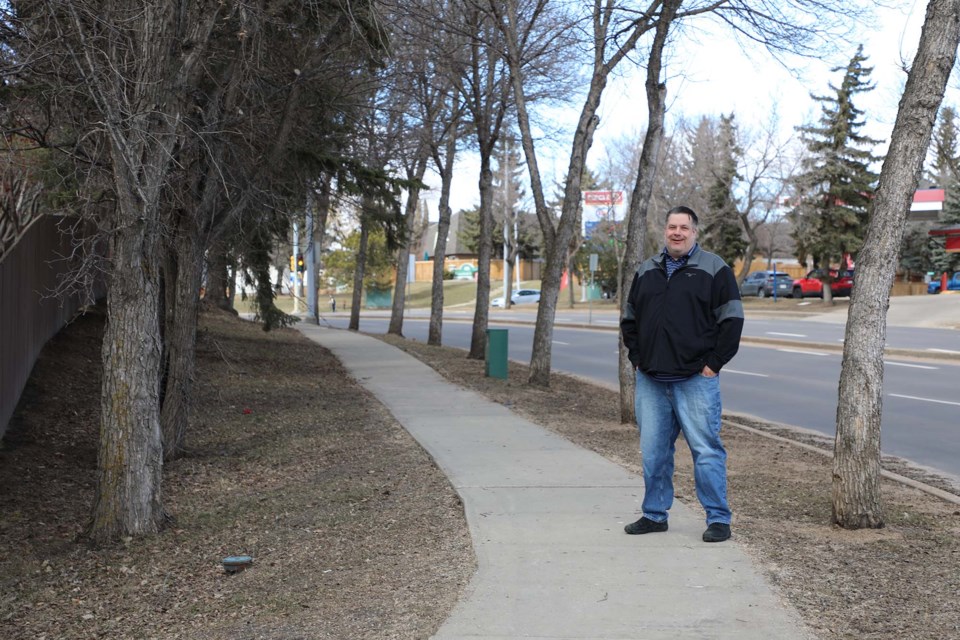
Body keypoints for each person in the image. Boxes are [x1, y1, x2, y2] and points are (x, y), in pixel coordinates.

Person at [619, 205, 744, 543]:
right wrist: (638, 358)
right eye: (672, 226)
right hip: (652, 380)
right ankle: (654, 515)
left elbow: (732, 321)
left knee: (706, 451)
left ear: (694, 232)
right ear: (665, 230)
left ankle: (718, 519)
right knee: (654, 453)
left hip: (695, 380)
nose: (677, 232)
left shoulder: (715, 269)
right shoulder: (647, 270)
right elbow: (629, 320)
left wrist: (713, 365)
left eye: (684, 227)